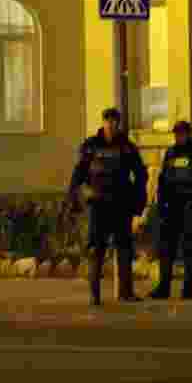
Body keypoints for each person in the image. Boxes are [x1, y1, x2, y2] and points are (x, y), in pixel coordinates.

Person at [67, 107, 149, 306]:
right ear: (103, 122)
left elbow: (140, 174)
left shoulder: (127, 147)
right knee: (97, 249)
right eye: (107, 121)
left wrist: (137, 200)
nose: (111, 125)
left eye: (114, 121)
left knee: (124, 249)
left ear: (118, 124)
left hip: (121, 205)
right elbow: (79, 172)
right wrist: (73, 196)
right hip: (99, 204)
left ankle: (125, 292)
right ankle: (94, 295)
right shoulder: (91, 145)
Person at [150, 121, 192, 300]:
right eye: (177, 133)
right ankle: (164, 287)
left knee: (189, 248)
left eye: (182, 133)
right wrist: (162, 203)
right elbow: (163, 179)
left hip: (191, 205)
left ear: (189, 133)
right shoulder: (170, 153)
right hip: (172, 206)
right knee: (166, 249)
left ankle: (187, 289)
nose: (179, 136)